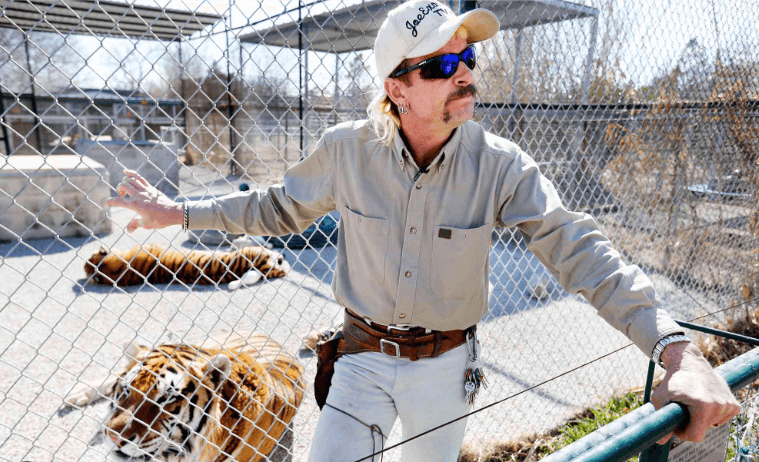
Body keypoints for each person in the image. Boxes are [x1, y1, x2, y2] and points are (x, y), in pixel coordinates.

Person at [106, 1, 740, 461]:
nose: (464, 73)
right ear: (396, 89)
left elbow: (578, 249)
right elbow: (276, 209)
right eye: (440, 66)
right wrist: (179, 213)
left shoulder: (502, 165)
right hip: (358, 358)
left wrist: (677, 351)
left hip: (446, 365)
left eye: (467, 57)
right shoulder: (345, 151)